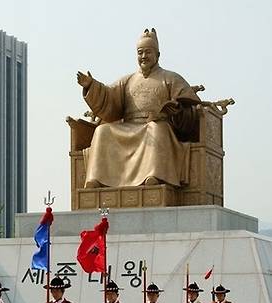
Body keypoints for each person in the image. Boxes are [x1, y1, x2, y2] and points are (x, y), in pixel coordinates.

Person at [77, 28, 201, 188]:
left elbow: (192, 105)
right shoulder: (127, 80)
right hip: (128, 125)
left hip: (158, 125)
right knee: (103, 131)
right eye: (140, 52)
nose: (144, 56)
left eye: (148, 52)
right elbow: (109, 97)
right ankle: (97, 179)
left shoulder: (171, 78)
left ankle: (154, 175)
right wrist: (91, 86)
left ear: (157, 55)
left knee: (155, 129)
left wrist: (176, 111)